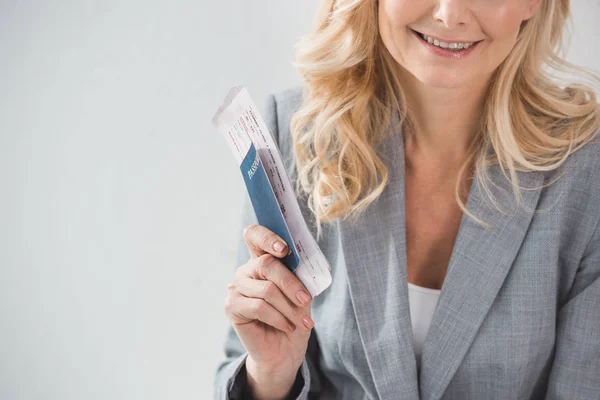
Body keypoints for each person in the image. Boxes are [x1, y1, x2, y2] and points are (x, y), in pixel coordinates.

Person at [215, 0, 600, 399]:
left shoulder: (587, 174)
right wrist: (272, 374)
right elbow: (239, 363)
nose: (449, 15)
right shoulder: (296, 134)